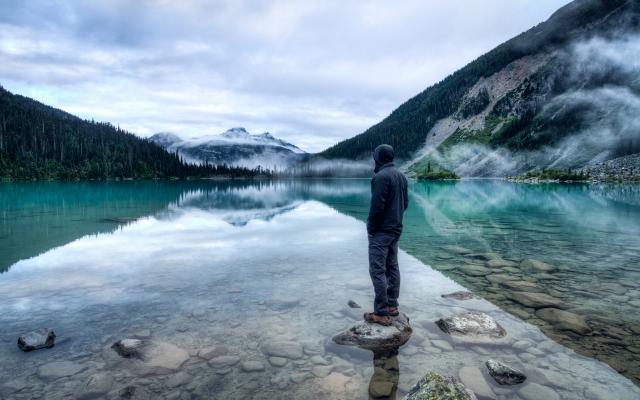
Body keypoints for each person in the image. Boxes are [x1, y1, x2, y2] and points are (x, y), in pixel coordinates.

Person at [364, 144, 408, 326]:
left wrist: (371, 228)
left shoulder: (380, 177)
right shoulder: (401, 176)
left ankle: (381, 313)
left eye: (375, 156)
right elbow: (405, 203)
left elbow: (376, 208)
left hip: (381, 231)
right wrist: (395, 219)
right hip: (395, 229)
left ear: (379, 158)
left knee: (377, 270)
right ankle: (392, 305)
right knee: (392, 267)